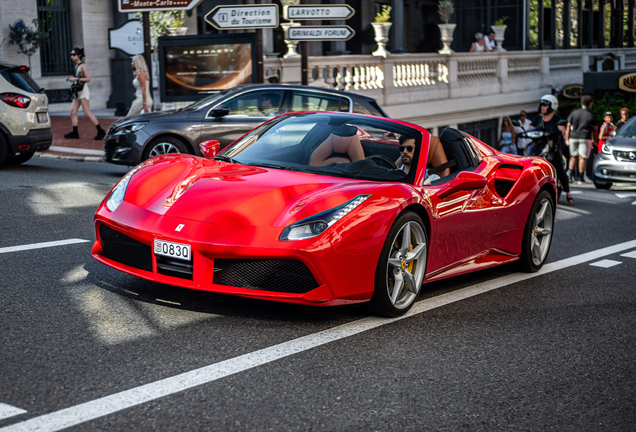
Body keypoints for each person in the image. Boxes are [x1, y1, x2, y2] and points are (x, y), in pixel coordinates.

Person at [531, 94, 574, 203]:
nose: (542, 107)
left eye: (545, 104)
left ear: (552, 106)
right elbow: (530, 129)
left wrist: (559, 131)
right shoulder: (537, 120)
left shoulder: (557, 119)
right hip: (538, 148)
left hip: (552, 148)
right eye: (541, 104)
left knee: (559, 168)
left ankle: (568, 193)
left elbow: (562, 130)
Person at [64, 47, 106, 140]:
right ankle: (75, 133)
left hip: (83, 91)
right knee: (73, 111)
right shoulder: (77, 66)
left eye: (74, 54)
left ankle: (101, 131)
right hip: (78, 91)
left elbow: (88, 79)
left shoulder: (82, 66)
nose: (72, 56)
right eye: (71, 54)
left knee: (87, 113)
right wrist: (73, 79)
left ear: (79, 55)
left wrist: (76, 79)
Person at [565, 95, 596, 183]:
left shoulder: (574, 112)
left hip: (573, 137)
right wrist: (593, 140)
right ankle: (581, 177)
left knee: (573, 156)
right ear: (590, 104)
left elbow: (568, 125)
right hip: (585, 137)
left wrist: (567, 138)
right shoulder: (590, 114)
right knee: (582, 157)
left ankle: (570, 176)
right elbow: (594, 129)